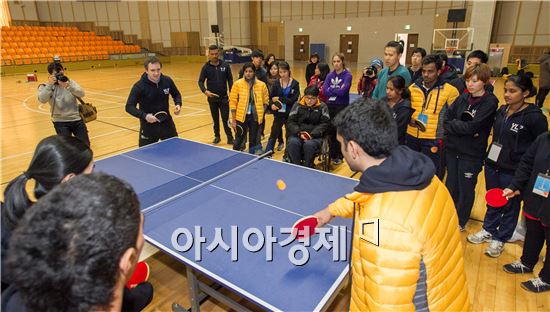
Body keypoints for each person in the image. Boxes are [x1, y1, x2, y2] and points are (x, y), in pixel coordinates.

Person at [313, 99, 469, 311]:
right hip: (446, 298)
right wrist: (331, 211)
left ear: (353, 148)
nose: (341, 151)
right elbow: (370, 200)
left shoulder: (381, 225)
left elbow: (385, 302)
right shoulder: (421, 177)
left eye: (340, 144)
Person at [0, 135, 153, 312]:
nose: (94, 175)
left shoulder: (23, 211)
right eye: (91, 170)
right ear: (70, 179)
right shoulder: (74, 234)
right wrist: (138, 290)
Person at [467, 74, 548, 257]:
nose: (507, 94)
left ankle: (500, 238)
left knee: (510, 205)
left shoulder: (535, 118)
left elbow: (540, 148)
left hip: (515, 171)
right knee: (493, 199)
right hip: (493, 164)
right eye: (505, 90)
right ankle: (488, 229)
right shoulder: (502, 111)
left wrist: (525, 176)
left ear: (525, 92)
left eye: (513, 91)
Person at [443, 64, 498, 231]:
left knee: (466, 188)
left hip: (471, 154)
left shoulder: (490, 102)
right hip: (453, 150)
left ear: (484, 81)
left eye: (475, 81)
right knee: (451, 185)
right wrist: (462, 128)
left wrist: (458, 127)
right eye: (467, 80)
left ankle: (460, 220)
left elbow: (473, 127)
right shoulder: (463, 98)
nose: (470, 84)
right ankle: (448, 216)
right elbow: (446, 120)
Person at [502, 132, 550, 293]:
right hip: (536, 195)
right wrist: (516, 185)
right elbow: (527, 163)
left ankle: (547, 279)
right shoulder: (543, 138)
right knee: (533, 231)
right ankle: (527, 263)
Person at [406, 54, 460, 178]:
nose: (426, 74)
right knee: (412, 173)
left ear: (439, 71)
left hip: (434, 140)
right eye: (423, 71)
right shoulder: (412, 88)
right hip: (412, 137)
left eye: (430, 71)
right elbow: (405, 110)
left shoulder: (450, 91)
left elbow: (454, 118)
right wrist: (409, 120)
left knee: (434, 176)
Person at [126, 56, 182, 147]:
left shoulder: (167, 81)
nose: (156, 73)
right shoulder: (139, 86)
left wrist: (178, 104)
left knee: (175, 149)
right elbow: (129, 106)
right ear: (146, 71)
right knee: (146, 156)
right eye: (152, 70)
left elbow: (176, 94)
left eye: (158, 69)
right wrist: (145, 116)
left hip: (167, 124)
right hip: (148, 126)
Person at [38, 58, 90, 146]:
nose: (59, 76)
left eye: (61, 73)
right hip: (60, 122)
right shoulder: (45, 86)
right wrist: (50, 85)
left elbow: (82, 94)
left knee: (85, 145)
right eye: (56, 74)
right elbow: (42, 100)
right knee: (67, 147)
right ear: (50, 75)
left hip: (76, 119)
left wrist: (69, 87)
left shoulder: (70, 82)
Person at [229, 63, 269, 154]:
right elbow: (232, 102)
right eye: (246, 71)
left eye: (250, 71)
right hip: (241, 117)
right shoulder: (237, 84)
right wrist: (234, 120)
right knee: (238, 140)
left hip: (255, 117)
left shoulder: (262, 85)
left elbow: (266, 101)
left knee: (253, 139)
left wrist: (261, 112)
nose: (248, 73)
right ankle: (233, 156)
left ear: (254, 72)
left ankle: (250, 156)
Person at [198, 45, 234, 145]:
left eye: (216, 54)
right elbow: (200, 81)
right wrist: (205, 91)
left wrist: (231, 93)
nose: (214, 56)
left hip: (224, 98)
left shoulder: (225, 65)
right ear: (209, 54)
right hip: (212, 99)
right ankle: (217, 136)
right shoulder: (205, 67)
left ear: (219, 53)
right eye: (212, 54)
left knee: (226, 119)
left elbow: (230, 80)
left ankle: (230, 137)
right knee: (215, 119)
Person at [286, 86, 330, 168]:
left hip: (315, 137)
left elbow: (325, 123)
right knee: (292, 142)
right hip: (299, 134)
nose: (309, 101)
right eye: (307, 98)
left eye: (312, 98)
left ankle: (308, 166)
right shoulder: (297, 105)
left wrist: (312, 135)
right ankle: (296, 166)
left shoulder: (323, 106)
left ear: (317, 97)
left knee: (309, 145)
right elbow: (291, 121)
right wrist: (299, 133)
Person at [322, 53, 352, 165]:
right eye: (334, 61)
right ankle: (331, 152)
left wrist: (331, 90)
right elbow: (324, 91)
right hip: (330, 105)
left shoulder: (347, 75)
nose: (336, 64)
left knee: (339, 131)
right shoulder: (330, 75)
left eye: (338, 61)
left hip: (341, 106)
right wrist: (336, 90)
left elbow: (344, 91)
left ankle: (339, 155)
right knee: (330, 130)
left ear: (342, 62)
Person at [265, 61, 300, 154]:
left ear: (289, 71)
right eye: (280, 72)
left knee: (289, 134)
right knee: (274, 133)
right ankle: (268, 151)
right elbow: (271, 97)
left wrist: (280, 98)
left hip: (290, 114)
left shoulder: (295, 84)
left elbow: (293, 100)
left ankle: (288, 154)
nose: (282, 74)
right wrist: (272, 105)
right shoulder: (276, 83)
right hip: (279, 113)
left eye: (284, 72)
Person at [386, 76, 414, 145]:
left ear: (401, 91)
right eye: (387, 88)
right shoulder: (383, 101)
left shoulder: (405, 108)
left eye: (391, 89)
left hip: (396, 144)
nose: (387, 91)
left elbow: (398, 132)